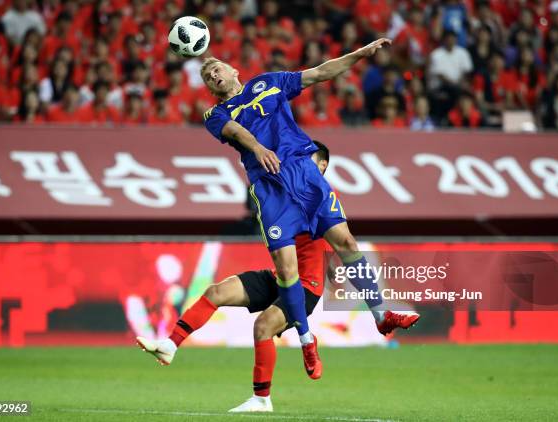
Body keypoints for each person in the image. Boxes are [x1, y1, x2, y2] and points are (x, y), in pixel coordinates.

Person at [136, 142, 419, 413]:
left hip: (306, 285)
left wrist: (372, 303)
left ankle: (261, 399)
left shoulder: (323, 199)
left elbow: (345, 248)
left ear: (322, 166)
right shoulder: (284, 189)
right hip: (279, 276)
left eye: (304, 160)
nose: (295, 164)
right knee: (216, 292)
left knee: (262, 327)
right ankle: (170, 345)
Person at [198, 38, 417, 380]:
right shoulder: (216, 114)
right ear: (211, 89)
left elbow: (318, 74)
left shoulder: (268, 83)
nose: (213, 74)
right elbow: (236, 132)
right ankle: (305, 339)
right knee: (287, 272)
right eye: (207, 76)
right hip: (271, 183)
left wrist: (358, 54)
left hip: (305, 171)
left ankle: (380, 315)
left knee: (346, 242)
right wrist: (257, 148)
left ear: (233, 69)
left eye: (216, 68)